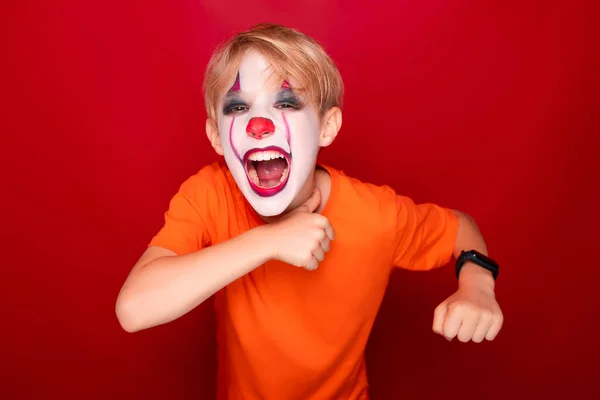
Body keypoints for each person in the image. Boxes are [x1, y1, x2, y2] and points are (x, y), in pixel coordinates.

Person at [115, 23, 504, 400]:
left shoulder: (376, 213)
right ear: (216, 136)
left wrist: (477, 285)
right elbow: (134, 308)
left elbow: (460, 228)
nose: (259, 125)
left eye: (285, 102)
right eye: (238, 106)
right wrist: (269, 240)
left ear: (327, 127)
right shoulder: (209, 194)